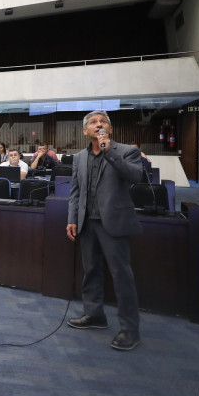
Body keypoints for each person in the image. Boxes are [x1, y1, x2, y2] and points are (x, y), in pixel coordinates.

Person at [67, 110, 144, 351]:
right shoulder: (79, 157)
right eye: (93, 122)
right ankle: (95, 314)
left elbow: (135, 176)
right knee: (91, 271)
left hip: (114, 222)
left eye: (103, 122)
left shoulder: (126, 151)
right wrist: (72, 218)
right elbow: (75, 192)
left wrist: (110, 152)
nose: (98, 125)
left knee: (121, 276)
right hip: (87, 222)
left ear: (109, 129)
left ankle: (130, 329)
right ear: (84, 131)